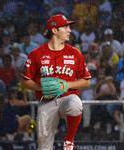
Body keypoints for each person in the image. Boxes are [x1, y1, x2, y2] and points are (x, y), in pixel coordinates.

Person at [21, 14, 91, 150]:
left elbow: (86, 81)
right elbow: (24, 81)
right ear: (54, 30)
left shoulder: (75, 53)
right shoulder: (36, 54)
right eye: (65, 27)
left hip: (67, 98)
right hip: (46, 101)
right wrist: (41, 87)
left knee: (76, 104)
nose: (69, 30)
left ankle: (69, 140)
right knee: (43, 147)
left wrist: (66, 85)